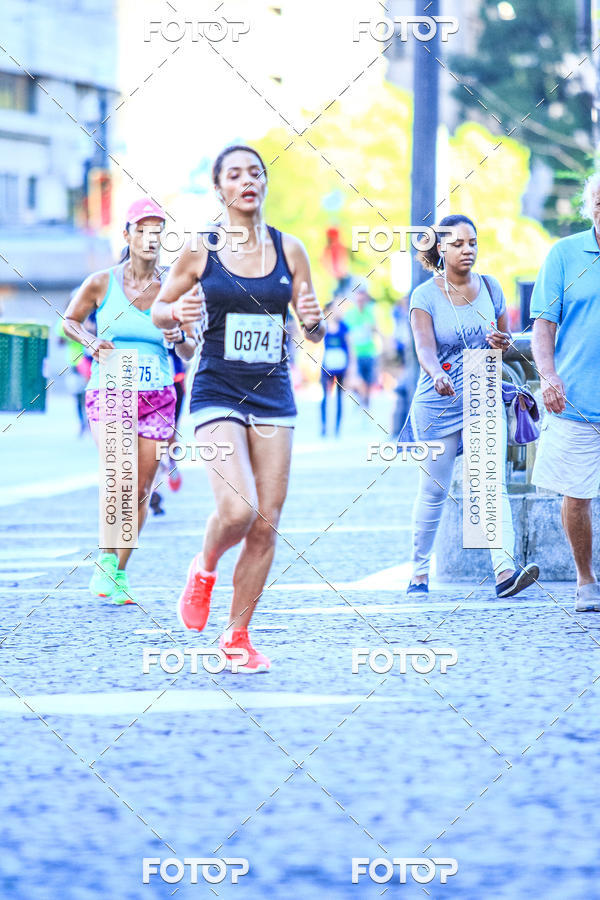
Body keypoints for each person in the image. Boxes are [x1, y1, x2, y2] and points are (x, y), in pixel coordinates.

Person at [152, 144, 324, 673]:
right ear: (219, 188)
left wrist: (315, 321)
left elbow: (310, 324)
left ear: (264, 183)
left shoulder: (290, 249)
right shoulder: (200, 248)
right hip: (218, 390)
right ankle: (204, 568)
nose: (247, 180)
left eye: (255, 172)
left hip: (274, 395)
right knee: (238, 509)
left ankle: (237, 636)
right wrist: (175, 311)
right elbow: (161, 308)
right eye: (235, 174)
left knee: (267, 524)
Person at [63, 198, 197, 604]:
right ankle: (105, 560)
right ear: (128, 235)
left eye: (158, 230)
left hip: (157, 393)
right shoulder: (101, 282)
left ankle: (117, 570)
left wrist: (179, 340)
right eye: (143, 229)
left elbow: (191, 350)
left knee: (139, 490)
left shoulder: (175, 288)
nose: (150, 237)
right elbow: (69, 320)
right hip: (112, 386)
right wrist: (90, 340)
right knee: (118, 477)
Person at [406, 214, 539, 598]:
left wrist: (502, 342)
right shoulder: (425, 296)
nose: (468, 250)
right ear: (441, 248)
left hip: (482, 386)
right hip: (438, 399)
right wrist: (435, 373)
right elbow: (424, 349)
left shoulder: (492, 287)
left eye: (473, 243)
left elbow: (505, 340)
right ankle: (418, 572)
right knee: (434, 489)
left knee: (490, 483)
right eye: (460, 243)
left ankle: (504, 571)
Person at [531, 173, 600, 612]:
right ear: (591, 205)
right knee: (577, 495)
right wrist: (547, 374)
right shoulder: (564, 254)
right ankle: (585, 578)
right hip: (578, 401)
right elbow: (543, 325)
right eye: (599, 200)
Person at [344, 285, 381, 409]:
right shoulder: (350, 314)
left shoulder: (371, 312)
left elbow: (376, 329)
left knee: (368, 381)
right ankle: (361, 399)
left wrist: (372, 328)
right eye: (358, 300)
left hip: (369, 352)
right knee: (357, 381)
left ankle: (366, 402)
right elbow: (346, 334)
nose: (360, 302)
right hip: (355, 353)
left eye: (362, 299)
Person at [320, 295, 352, 437]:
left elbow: (350, 347)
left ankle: (337, 428)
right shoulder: (324, 326)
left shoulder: (344, 327)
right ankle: (324, 426)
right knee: (324, 396)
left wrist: (352, 366)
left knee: (339, 396)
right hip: (327, 364)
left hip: (341, 365)